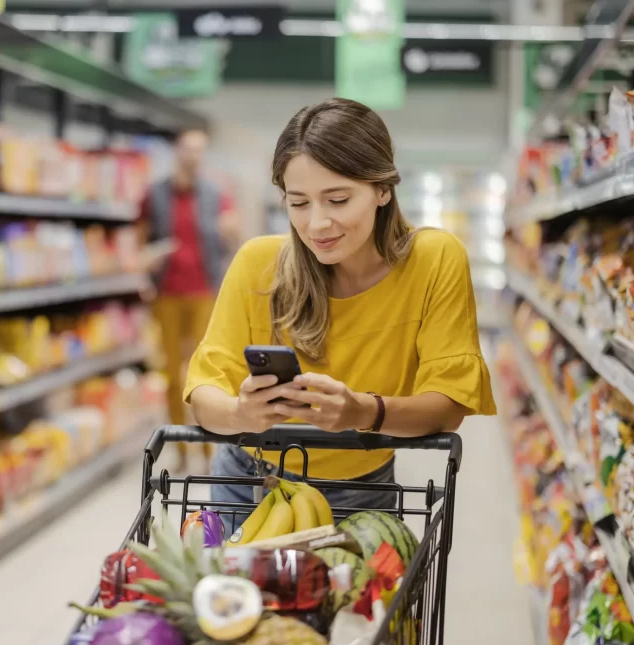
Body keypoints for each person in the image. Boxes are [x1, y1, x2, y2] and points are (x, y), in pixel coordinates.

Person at [183, 98, 496, 529]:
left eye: (337, 199)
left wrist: (362, 412)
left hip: (362, 488)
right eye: (299, 203)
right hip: (247, 482)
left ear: (383, 189)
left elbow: (449, 405)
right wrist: (241, 414)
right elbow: (204, 393)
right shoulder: (258, 264)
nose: (317, 224)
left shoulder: (434, 260)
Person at [142, 127, 239, 471]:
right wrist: (147, 259)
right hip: (167, 293)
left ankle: (210, 450)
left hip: (204, 293)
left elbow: (231, 237)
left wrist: (230, 232)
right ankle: (180, 449)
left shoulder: (215, 194)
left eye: (200, 150)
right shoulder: (155, 194)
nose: (194, 156)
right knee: (171, 373)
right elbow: (141, 240)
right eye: (188, 149)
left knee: (206, 374)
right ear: (177, 152)